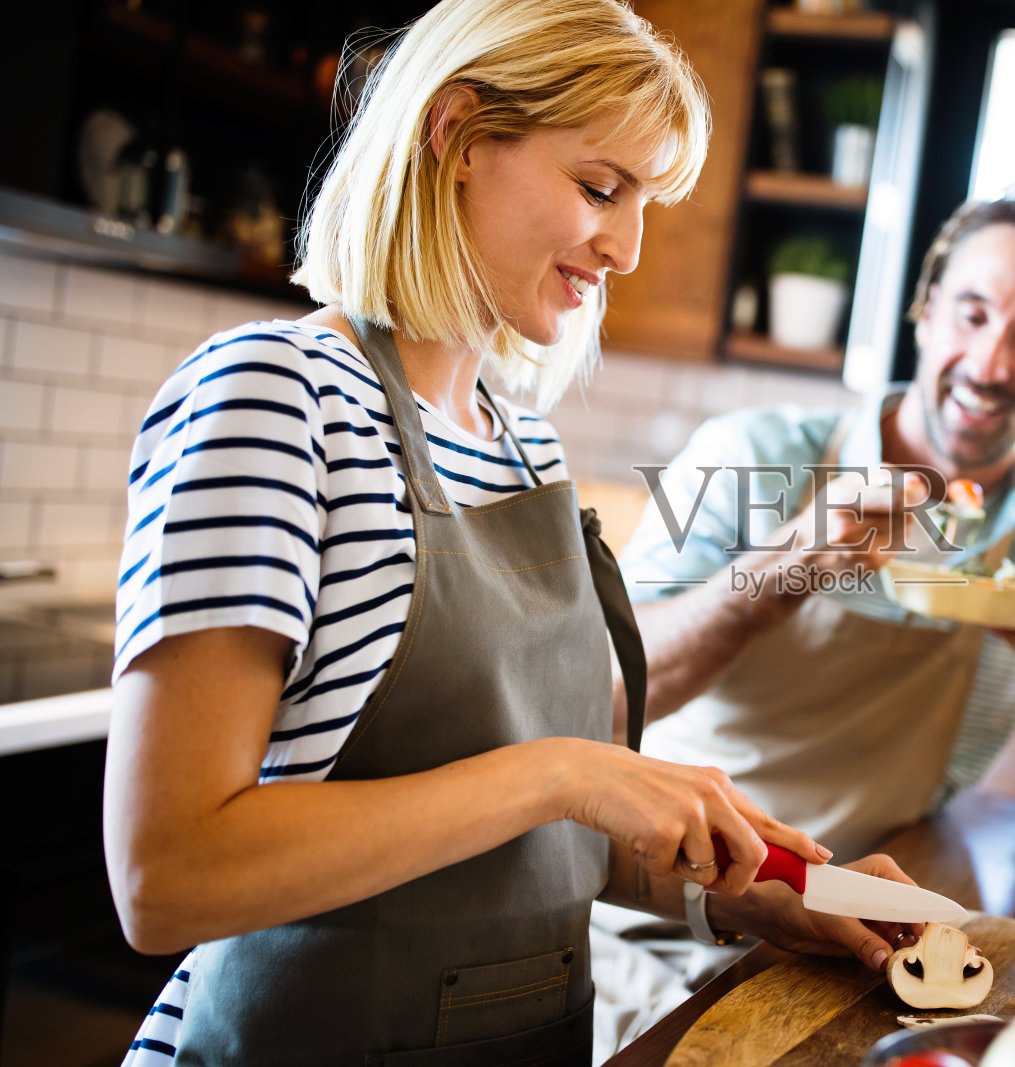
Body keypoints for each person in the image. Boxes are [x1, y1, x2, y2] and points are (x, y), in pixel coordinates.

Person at [104, 3, 923, 1064]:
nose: (626, 246)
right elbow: (167, 876)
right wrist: (564, 770)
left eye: (645, 205)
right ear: (455, 135)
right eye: (600, 188)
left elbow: (525, 845)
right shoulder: (275, 395)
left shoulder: (521, 444)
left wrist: (771, 894)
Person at [621, 189, 1015, 863]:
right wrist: (786, 563)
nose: (989, 365)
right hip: (679, 890)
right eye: (973, 314)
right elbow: (612, 689)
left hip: (881, 903)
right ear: (926, 311)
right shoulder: (746, 454)